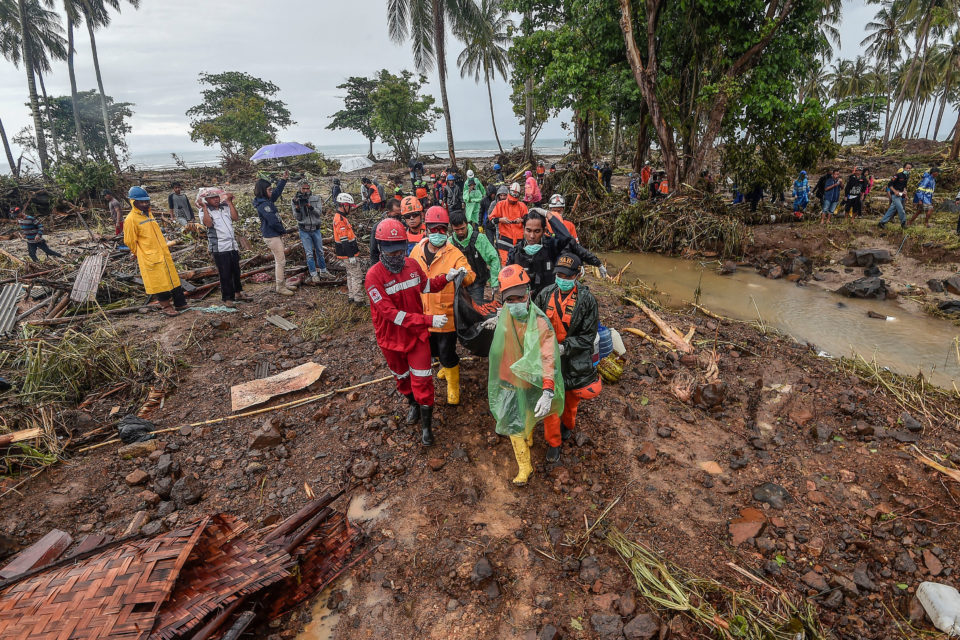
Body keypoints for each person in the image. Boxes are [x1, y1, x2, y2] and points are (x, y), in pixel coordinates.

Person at [366, 218, 456, 446]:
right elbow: (391, 314)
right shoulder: (373, 277)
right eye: (390, 252)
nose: (395, 256)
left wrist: (447, 277)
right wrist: (429, 319)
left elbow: (426, 286)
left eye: (399, 251)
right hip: (391, 339)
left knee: (423, 380)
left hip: (416, 336)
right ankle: (412, 405)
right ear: (379, 248)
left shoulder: (412, 266)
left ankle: (427, 427)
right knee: (402, 379)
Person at [487, 265, 563, 486]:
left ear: (528, 293)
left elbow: (548, 358)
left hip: (530, 380)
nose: (515, 303)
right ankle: (525, 452)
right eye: (509, 299)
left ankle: (525, 467)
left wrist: (548, 390)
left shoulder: (539, 323)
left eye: (519, 297)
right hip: (508, 379)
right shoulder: (505, 316)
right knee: (515, 420)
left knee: (518, 419)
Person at [534, 252, 602, 463]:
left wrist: (565, 348)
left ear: (577, 275)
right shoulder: (545, 294)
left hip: (573, 360)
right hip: (548, 357)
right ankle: (553, 443)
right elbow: (533, 322)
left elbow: (588, 337)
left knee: (571, 401)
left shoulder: (587, 300)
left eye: (567, 276)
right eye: (559, 275)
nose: (562, 279)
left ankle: (569, 426)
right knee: (551, 402)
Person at [410, 207, 474, 405]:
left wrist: (463, 274)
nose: (437, 233)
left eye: (441, 229)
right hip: (423, 315)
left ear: (447, 230)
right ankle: (445, 369)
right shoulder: (417, 250)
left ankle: (453, 385)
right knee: (431, 352)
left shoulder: (453, 253)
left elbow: (471, 277)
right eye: (433, 228)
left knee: (447, 352)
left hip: (446, 317)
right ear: (426, 228)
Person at [507, 209, 605, 298]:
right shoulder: (515, 252)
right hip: (526, 301)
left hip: (549, 299)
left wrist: (548, 215)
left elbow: (569, 240)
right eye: (528, 231)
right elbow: (509, 282)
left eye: (537, 231)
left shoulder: (551, 246)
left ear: (544, 231)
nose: (532, 236)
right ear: (523, 229)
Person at [123, 187, 185, 316]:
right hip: (150, 256)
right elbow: (129, 241)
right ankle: (166, 307)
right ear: (133, 202)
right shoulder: (131, 219)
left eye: (146, 201)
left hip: (163, 253)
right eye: (141, 202)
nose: (145, 204)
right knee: (159, 283)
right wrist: (140, 253)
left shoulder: (149, 214)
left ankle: (180, 304)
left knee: (172, 278)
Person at [198, 187, 249, 307]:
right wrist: (205, 208)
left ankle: (238, 292)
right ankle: (227, 298)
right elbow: (208, 224)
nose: (215, 200)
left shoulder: (224, 207)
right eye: (212, 198)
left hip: (231, 244)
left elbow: (235, 218)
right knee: (225, 273)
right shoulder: (204, 211)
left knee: (236, 271)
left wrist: (230, 202)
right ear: (207, 200)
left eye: (216, 197)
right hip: (219, 247)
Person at [254, 171, 297, 296]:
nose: (271, 191)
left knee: (280, 260)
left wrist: (283, 180)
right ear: (263, 191)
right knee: (280, 261)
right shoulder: (263, 205)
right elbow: (272, 221)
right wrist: (282, 231)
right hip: (272, 235)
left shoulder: (266, 200)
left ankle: (282, 284)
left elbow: (277, 193)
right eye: (269, 189)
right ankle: (280, 286)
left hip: (274, 234)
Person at [450, 209, 500, 303]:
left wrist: (494, 282)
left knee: (475, 310)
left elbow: (493, 258)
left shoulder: (479, 239)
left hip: (477, 283)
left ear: (467, 224)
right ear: (452, 228)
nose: (460, 232)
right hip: (458, 285)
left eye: (462, 228)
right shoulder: (450, 243)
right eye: (456, 230)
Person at [292, 180, 332, 283]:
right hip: (304, 230)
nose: (306, 190)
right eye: (303, 188)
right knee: (309, 253)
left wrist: (310, 207)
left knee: (320, 251)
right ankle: (313, 274)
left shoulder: (316, 198)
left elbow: (319, 213)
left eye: (307, 188)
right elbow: (298, 218)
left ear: (310, 188)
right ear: (299, 189)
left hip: (316, 229)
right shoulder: (295, 200)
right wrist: (297, 207)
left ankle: (323, 271)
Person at [332, 193, 364, 305]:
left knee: (350, 274)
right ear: (345, 205)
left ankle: (351, 296)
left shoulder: (342, 218)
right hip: (348, 253)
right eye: (350, 206)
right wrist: (351, 256)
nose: (351, 209)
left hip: (346, 252)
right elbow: (344, 240)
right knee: (357, 275)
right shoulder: (340, 220)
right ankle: (358, 299)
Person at [488, 182, 529, 263]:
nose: (512, 201)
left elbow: (528, 220)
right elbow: (491, 219)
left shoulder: (522, 206)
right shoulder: (500, 204)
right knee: (505, 262)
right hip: (504, 238)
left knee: (519, 262)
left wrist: (521, 220)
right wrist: (500, 220)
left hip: (519, 239)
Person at [879, 163, 913, 229]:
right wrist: (895, 191)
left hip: (901, 195)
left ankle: (882, 223)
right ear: (904, 168)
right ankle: (903, 223)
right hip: (895, 195)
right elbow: (890, 185)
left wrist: (905, 194)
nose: (908, 169)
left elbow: (904, 186)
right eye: (907, 168)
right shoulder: (897, 176)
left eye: (909, 168)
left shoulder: (907, 176)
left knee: (891, 210)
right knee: (901, 209)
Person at [370, 199, 404, 264]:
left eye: (400, 214)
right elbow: (373, 251)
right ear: (388, 213)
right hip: (384, 263)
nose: (399, 217)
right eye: (396, 214)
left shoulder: (402, 225)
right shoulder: (378, 227)